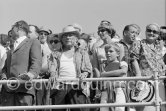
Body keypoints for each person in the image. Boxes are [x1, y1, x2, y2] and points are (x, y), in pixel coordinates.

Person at [48, 25, 92, 111]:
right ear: (62, 39)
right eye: (65, 35)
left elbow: (88, 68)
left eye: (70, 35)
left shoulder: (82, 52)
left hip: (77, 86)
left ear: (76, 38)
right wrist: (53, 74)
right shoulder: (55, 53)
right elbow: (52, 66)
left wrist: (85, 73)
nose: (68, 37)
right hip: (59, 86)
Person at [0, 20, 42, 110]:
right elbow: (5, 68)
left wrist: (31, 74)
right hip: (8, 92)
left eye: (12, 28)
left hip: (24, 89)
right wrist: (3, 78)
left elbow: (37, 62)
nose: (10, 31)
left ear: (18, 28)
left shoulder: (33, 42)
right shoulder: (10, 47)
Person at [130, 23, 166, 111]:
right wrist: (138, 75)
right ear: (145, 31)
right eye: (149, 30)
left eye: (154, 32)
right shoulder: (139, 43)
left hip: (158, 80)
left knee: (160, 106)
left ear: (158, 35)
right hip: (145, 79)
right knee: (146, 107)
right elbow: (133, 58)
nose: (151, 33)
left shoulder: (158, 46)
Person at [95, 43, 128, 111]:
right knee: (103, 109)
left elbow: (123, 71)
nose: (108, 53)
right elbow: (101, 79)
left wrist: (105, 74)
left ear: (118, 54)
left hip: (118, 90)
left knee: (119, 109)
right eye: (106, 52)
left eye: (111, 51)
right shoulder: (103, 66)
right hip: (105, 91)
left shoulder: (122, 63)